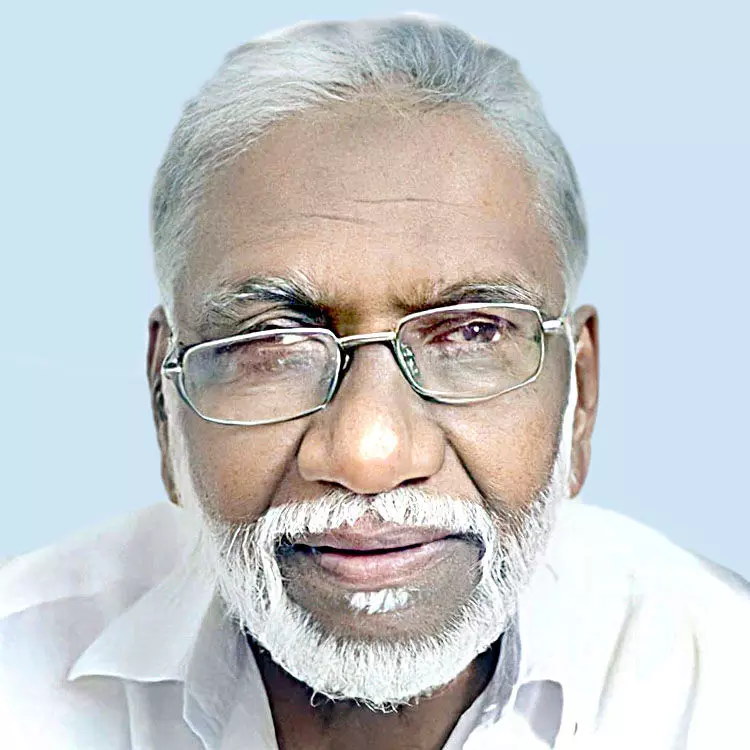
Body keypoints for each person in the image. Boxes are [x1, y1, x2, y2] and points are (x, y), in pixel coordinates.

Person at [1, 13, 748, 750]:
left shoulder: (721, 684)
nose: (369, 455)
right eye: (273, 344)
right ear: (165, 410)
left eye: (471, 333)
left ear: (579, 399)